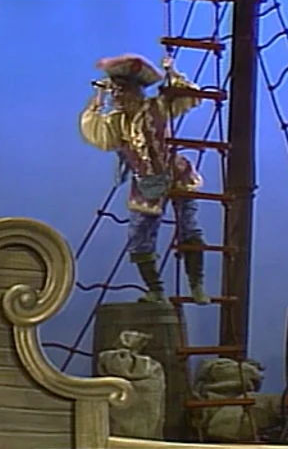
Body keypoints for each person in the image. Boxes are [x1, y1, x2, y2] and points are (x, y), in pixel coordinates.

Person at [79, 53, 209, 304]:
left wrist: (171, 72)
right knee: (138, 237)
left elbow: (185, 95)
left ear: (134, 91)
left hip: (176, 174)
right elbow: (99, 133)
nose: (117, 96)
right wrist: (98, 100)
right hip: (146, 182)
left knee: (189, 227)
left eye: (121, 90)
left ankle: (196, 284)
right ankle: (156, 290)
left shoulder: (157, 107)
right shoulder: (117, 121)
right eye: (114, 91)